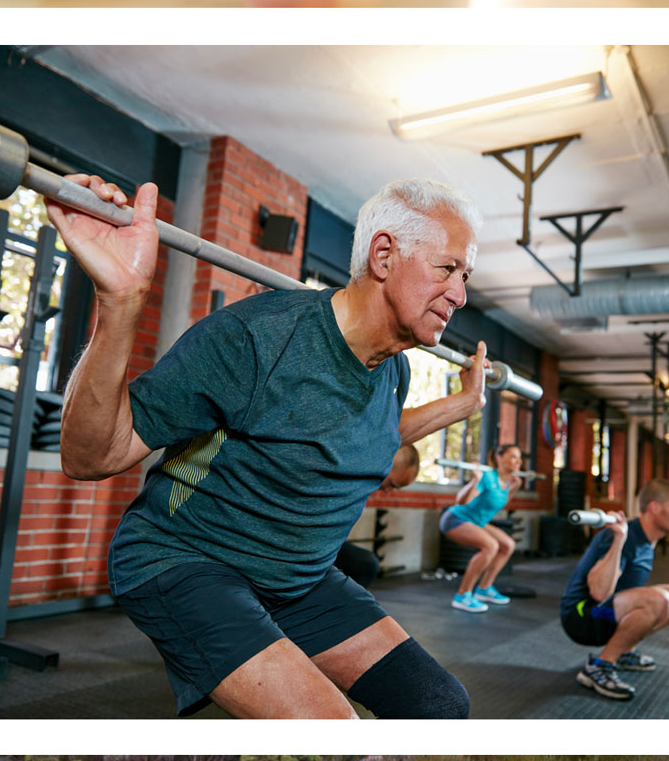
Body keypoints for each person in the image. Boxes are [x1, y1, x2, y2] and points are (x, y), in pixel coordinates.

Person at [52, 177, 488, 720]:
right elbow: (93, 456)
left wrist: (464, 404)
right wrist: (120, 302)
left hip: (298, 579)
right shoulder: (255, 339)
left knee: (440, 706)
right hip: (188, 560)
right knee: (333, 729)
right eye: (448, 268)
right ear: (383, 254)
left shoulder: (392, 370)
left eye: (464, 276)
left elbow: (365, 435)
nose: (461, 294)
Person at [559, 478, 669, 700]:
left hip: (607, 612)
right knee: (659, 600)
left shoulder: (648, 538)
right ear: (654, 508)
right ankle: (599, 667)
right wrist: (619, 540)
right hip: (582, 615)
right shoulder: (622, 536)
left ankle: (623, 652)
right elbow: (599, 593)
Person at [439, 443, 522, 614]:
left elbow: (500, 503)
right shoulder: (487, 477)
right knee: (490, 546)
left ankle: (484, 589)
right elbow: (460, 500)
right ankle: (462, 595)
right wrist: (475, 480)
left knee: (508, 545)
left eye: (519, 457)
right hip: (456, 519)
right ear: (499, 458)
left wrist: (515, 488)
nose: (518, 461)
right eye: (513, 456)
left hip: (476, 522)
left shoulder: (507, 482)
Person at [335, 442, 421, 586]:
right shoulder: (346, 474)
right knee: (366, 565)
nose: (387, 492)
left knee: (365, 565)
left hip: (327, 546)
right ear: (385, 464)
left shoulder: (362, 491)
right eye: (392, 484)